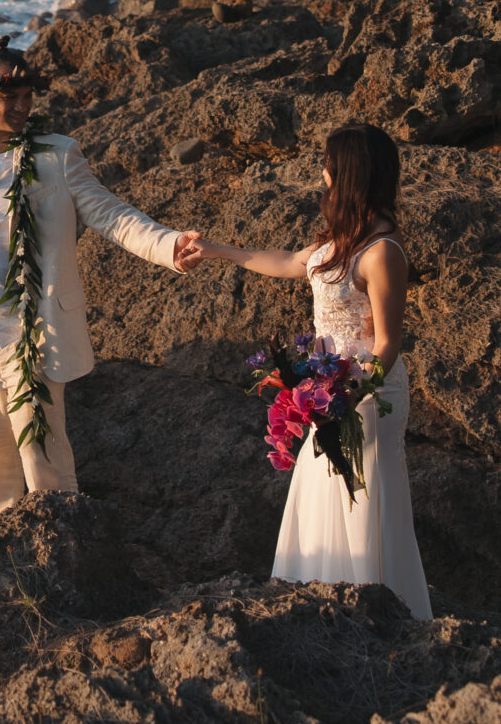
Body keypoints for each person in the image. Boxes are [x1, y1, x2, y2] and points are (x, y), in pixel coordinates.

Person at [0, 38, 197, 527]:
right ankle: (2, 561)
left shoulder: (54, 156)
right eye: (8, 97)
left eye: (27, 97)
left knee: (44, 459)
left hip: (29, 332)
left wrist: (168, 246)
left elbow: (110, 214)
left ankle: (64, 550)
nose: (20, 107)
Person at [178, 123, 431, 618]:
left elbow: (387, 344)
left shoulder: (382, 251)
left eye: (330, 164)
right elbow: (293, 261)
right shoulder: (341, 240)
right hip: (330, 396)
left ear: (348, 173)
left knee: (363, 503)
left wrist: (346, 395)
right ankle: (323, 611)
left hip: (366, 398)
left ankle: (379, 615)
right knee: (321, 497)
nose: (323, 172)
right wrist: (216, 251)